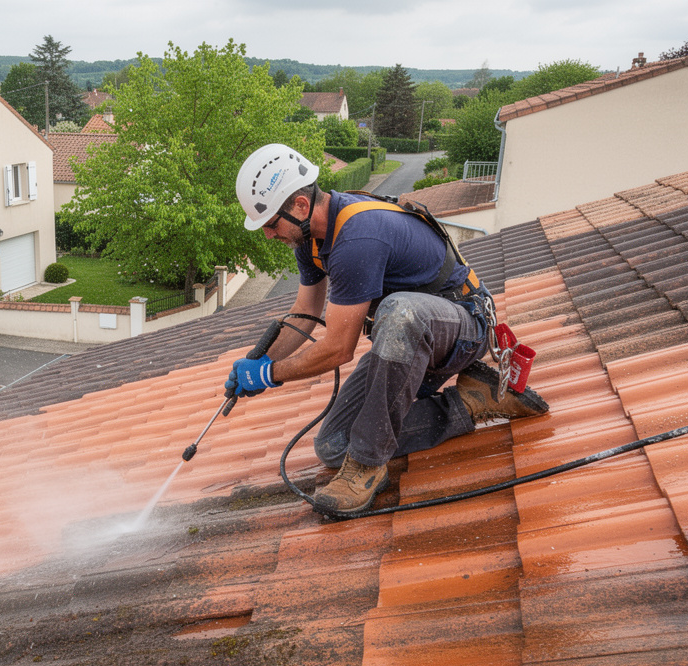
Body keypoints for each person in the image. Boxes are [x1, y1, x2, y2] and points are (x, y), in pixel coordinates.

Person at [228, 143, 548, 516]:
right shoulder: (311, 239)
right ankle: (472, 400)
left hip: (462, 328)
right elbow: (304, 313)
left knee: (399, 311)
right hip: (412, 341)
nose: (268, 235)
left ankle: (366, 466)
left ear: (300, 205)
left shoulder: (357, 237)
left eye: (270, 224)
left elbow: (338, 349)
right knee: (332, 445)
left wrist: (269, 374)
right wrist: (257, 359)